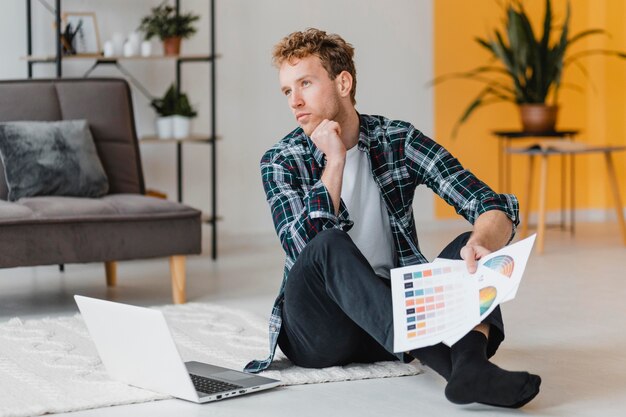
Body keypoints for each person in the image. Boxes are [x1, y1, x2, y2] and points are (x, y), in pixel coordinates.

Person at [245, 28, 541, 408]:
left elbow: (489, 203)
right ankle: (458, 365)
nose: (295, 101)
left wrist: (483, 240)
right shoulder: (280, 160)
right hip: (320, 334)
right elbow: (305, 249)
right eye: (287, 91)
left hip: (387, 317)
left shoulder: (396, 139)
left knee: (467, 246)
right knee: (329, 244)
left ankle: (469, 370)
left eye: (305, 83)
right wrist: (334, 161)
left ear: (343, 82)